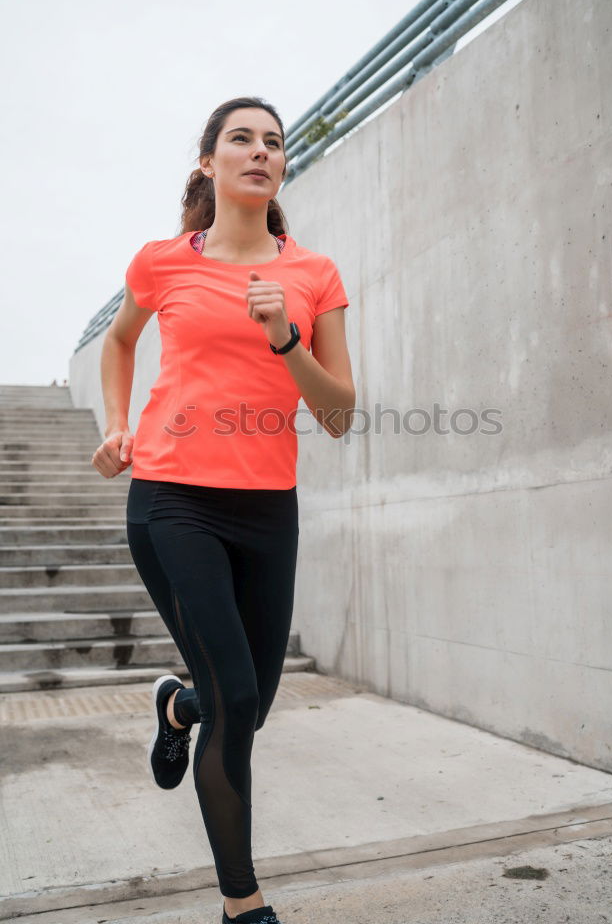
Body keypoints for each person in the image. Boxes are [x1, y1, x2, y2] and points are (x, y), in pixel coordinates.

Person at [91, 95, 355, 924]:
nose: (259, 151)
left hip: (268, 509)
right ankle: (245, 905)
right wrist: (115, 425)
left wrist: (287, 342)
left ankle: (178, 705)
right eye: (239, 139)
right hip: (172, 500)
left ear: (281, 166)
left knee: (248, 703)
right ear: (208, 162)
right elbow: (121, 340)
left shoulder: (313, 276)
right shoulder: (163, 262)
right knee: (235, 700)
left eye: (272, 142)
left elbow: (341, 412)